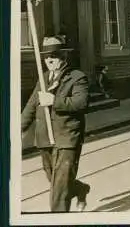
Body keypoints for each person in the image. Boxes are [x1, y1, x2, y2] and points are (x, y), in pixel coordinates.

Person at [21, 35, 90, 212]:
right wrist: (17, 128)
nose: (49, 60)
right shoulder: (43, 78)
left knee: (58, 189)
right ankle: (80, 189)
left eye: (54, 55)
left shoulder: (77, 77)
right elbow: (31, 105)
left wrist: (54, 100)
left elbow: (81, 103)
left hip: (67, 137)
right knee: (55, 179)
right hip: (45, 137)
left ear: (64, 57)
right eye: (46, 56)